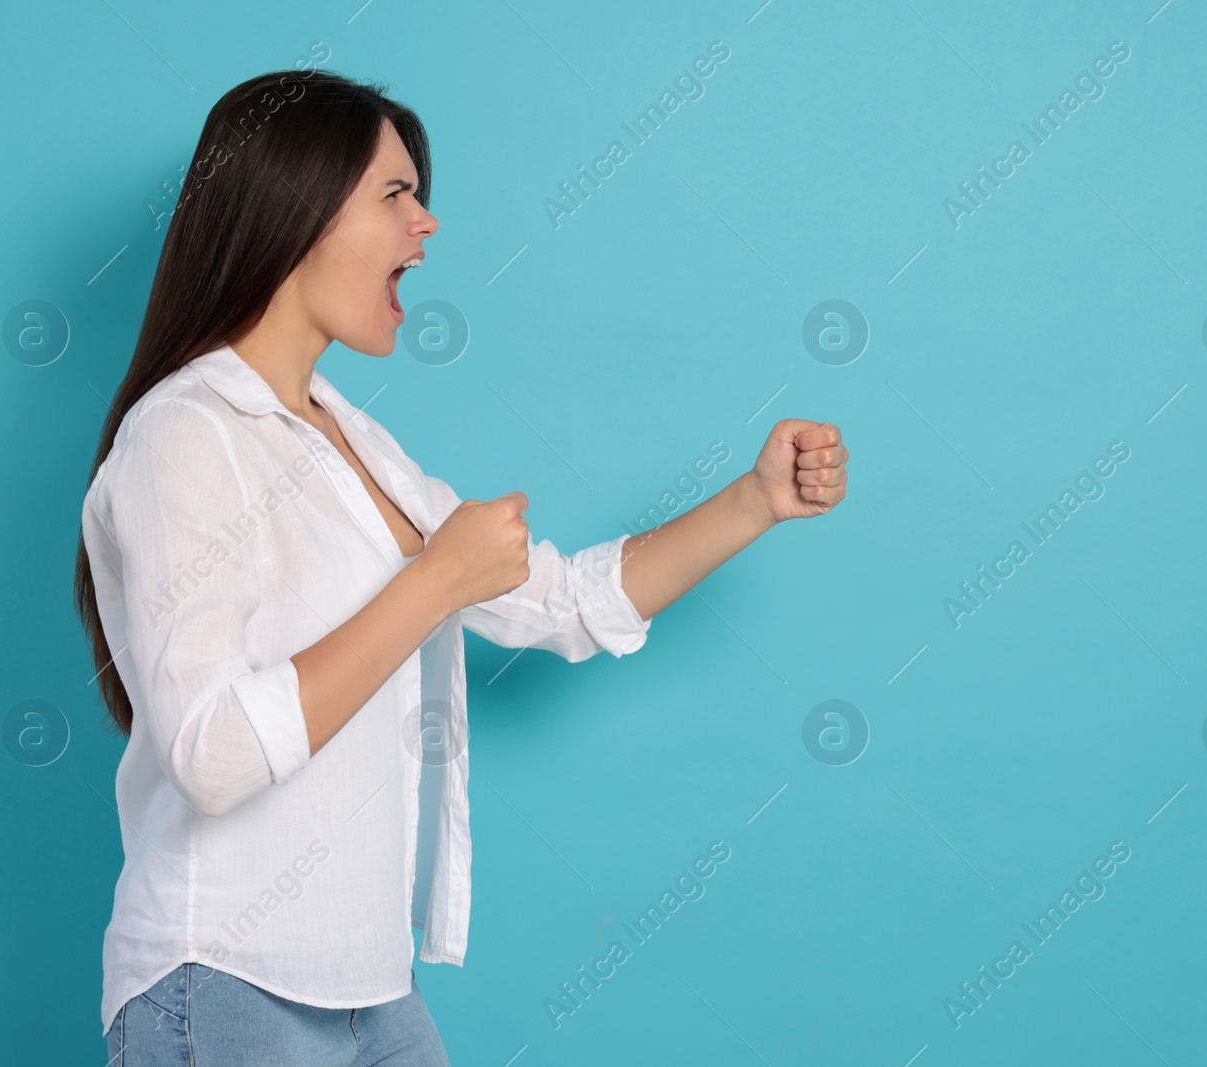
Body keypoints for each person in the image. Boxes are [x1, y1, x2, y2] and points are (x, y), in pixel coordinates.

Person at [74, 68, 848, 1066]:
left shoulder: (354, 442)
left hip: (369, 985)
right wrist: (435, 580)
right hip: (222, 978)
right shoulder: (183, 434)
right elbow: (214, 753)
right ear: (295, 211)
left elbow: (563, 603)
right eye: (396, 195)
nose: (427, 224)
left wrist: (755, 500)